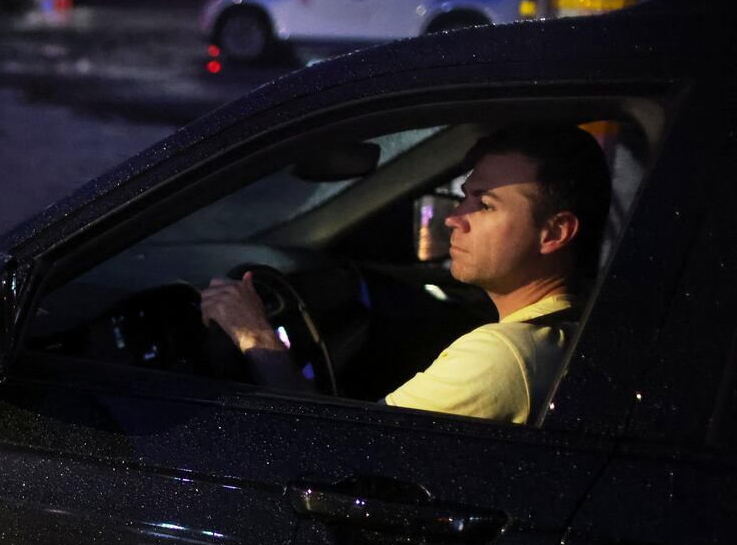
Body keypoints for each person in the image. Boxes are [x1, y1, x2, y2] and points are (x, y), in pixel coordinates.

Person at [198, 124, 613, 424]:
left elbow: (334, 455)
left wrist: (256, 337)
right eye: (463, 198)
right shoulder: (566, 329)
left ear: (554, 232)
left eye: (484, 205)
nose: (454, 218)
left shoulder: (503, 357)